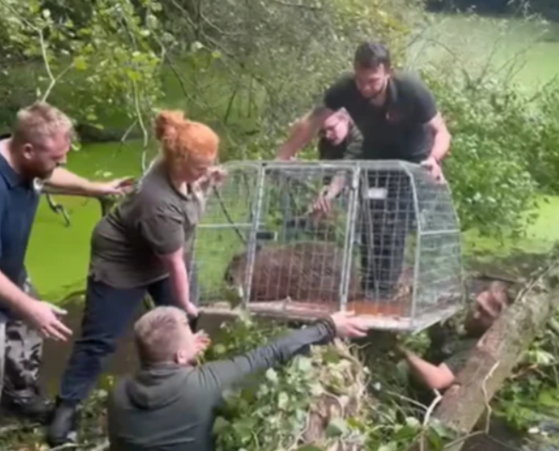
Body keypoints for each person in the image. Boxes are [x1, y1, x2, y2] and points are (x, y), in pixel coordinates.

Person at [0, 101, 132, 451]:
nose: (62, 162)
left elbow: (49, 173)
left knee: (27, 337)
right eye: (56, 156)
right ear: (28, 149)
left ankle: (19, 399)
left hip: (2, 265)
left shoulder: (26, 160)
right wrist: (28, 306)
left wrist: (93, 187)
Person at [47, 110, 227, 447]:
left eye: (211, 163)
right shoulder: (156, 199)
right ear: (179, 162)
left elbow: (182, 227)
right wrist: (184, 304)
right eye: (202, 166)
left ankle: (185, 387)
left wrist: (205, 181)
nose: (209, 169)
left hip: (163, 252)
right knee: (100, 338)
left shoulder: (181, 170)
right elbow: (174, 265)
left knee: (184, 327)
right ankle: (66, 407)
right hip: (123, 262)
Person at [281, 41, 452, 300]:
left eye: (372, 81)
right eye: (360, 80)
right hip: (375, 159)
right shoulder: (345, 89)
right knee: (371, 218)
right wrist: (284, 155)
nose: (365, 88)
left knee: (393, 222)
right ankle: (369, 286)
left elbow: (441, 131)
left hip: (413, 161)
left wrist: (434, 159)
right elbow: (312, 121)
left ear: (388, 73)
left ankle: (384, 290)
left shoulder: (411, 90)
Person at [107, 307, 369, 451]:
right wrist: (328, 327)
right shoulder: (205, 385)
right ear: (180, 355)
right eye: (189, 333)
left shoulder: (118, 393)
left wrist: (184, 353)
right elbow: (269, 354)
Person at [400, 281, 510, 398]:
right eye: (478, 306)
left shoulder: (477, 348)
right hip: (411, 385)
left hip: (419, 404)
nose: (476, 315)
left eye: (485, 315)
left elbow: (437, 379)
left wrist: (402, 351)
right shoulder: (463, 326)